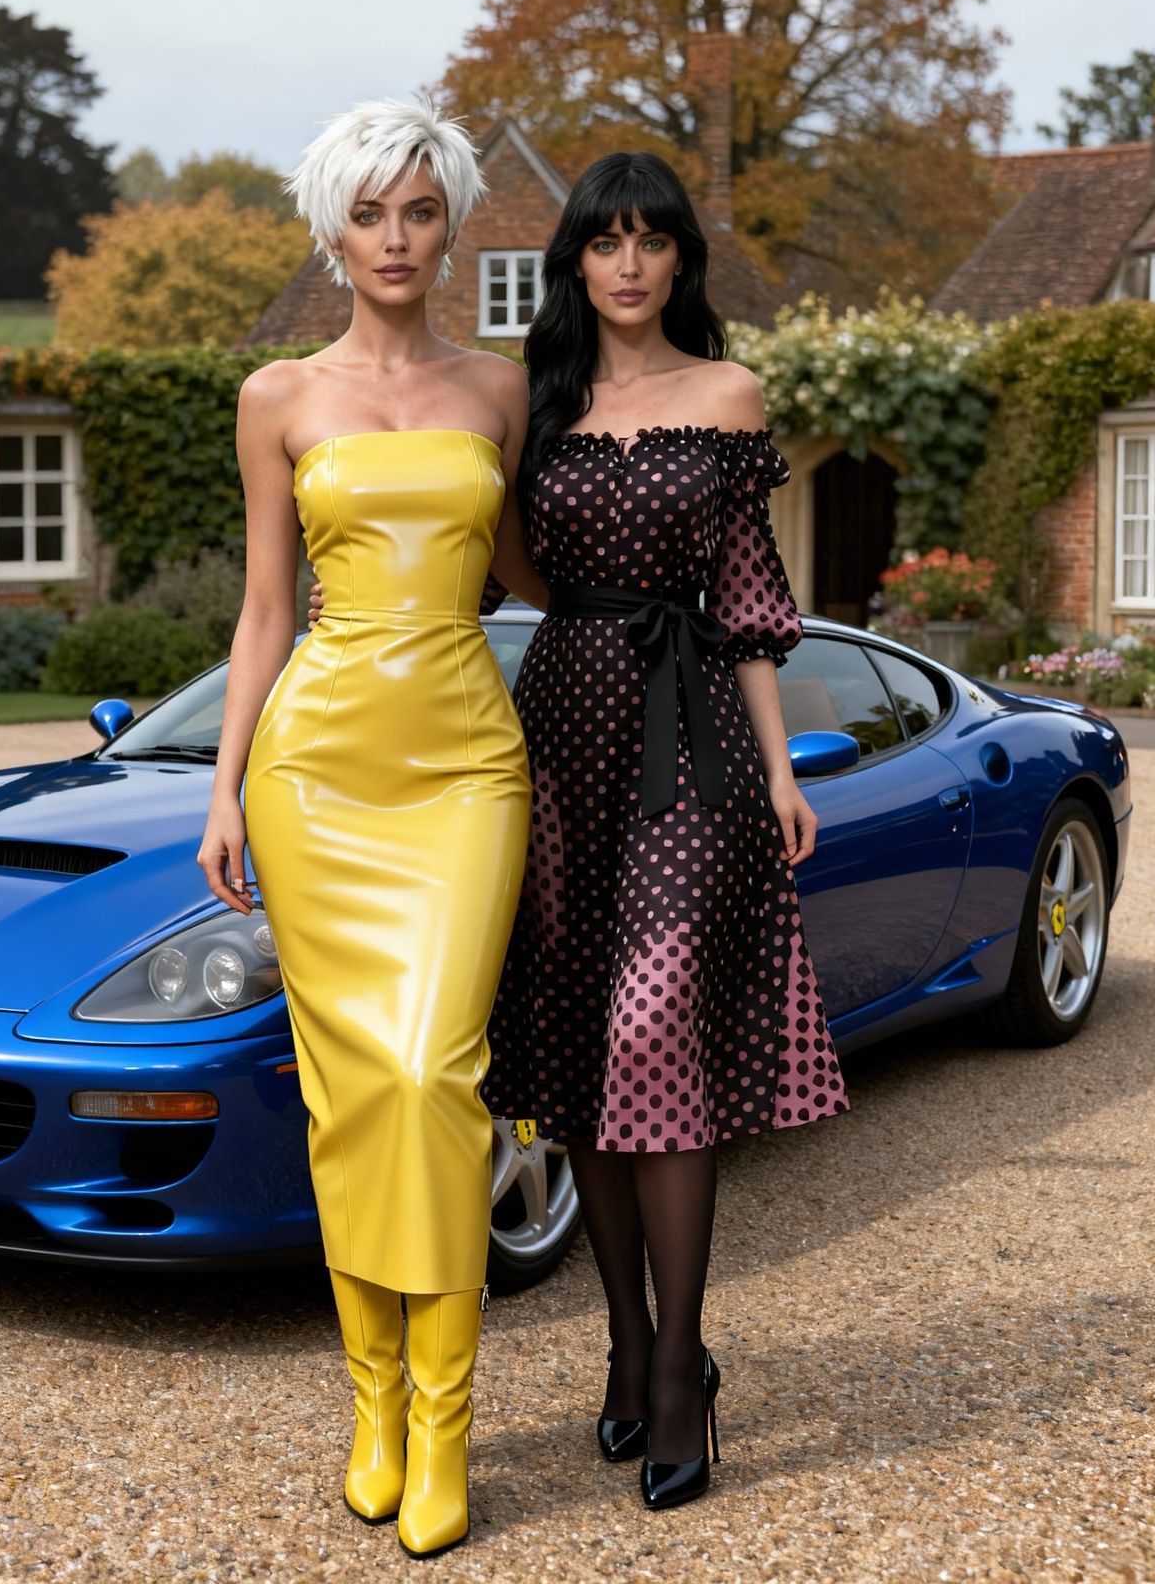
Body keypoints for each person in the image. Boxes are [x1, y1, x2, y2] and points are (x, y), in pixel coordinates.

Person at [482, 150, 850, 1511]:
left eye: (652, 239)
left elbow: (752, 594)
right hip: (563, 726)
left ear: (682, 259)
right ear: (575, 261)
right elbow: (510, 557)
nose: (628, 262)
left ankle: (683, 1360)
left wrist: (785, 769)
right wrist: (575, 596)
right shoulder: (540, 403)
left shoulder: (729, 394)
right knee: (585, 1045)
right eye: (604, 240)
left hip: (694, 734)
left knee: (653, 1026)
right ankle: (626, 1342)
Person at [195, 98, 535, 1561]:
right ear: (333, 231)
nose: (396, 239)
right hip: (317, 774)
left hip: (466, 768)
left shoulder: (503, 390)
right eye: (370, 214)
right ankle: (375, 1409)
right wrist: (224, 785)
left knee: (433, 1077)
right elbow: (269, 607)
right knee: (351, 1096)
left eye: (419, 212)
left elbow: (528, 577)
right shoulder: (278, 393)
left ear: (453, 225)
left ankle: (448, 1425)